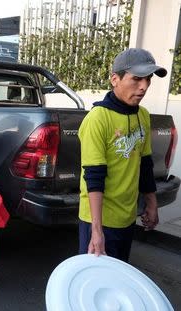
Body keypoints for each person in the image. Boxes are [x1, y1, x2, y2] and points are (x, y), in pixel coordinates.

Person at [78, 48, 167, 262]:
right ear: (115, 79)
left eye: (148, 79)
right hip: (98, 220)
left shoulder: (143, 115)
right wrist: (97, 232)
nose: (144, 87)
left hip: (127, 217)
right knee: (94, 282)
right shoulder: (98, 119)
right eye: (136, 79)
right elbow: (94, 176)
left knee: (117, 280)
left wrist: (151, 203)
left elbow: (144, 164)